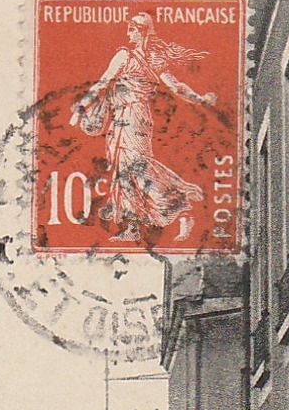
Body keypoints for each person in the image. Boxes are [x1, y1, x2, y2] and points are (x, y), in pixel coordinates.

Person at [69, 13, 218, 242]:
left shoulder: (124, 56)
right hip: (139, 118)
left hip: (129, 116)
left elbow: (104, 82)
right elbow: (177, 87)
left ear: (140, 31)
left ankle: (182, 209)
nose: (128, 34)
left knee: (136, 168)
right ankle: (133, 225)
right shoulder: (156, 59)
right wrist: (200, 99)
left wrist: (82, 106)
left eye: (131, 29)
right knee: (127, 170)